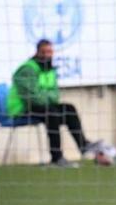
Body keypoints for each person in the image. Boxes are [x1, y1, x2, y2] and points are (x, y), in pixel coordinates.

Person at [6, 39, 102, 168]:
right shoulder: (27, 69)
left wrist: (45, 95)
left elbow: (55, 95)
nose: (47, 55)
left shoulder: (50, 70)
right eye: (44, 52)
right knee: (52, 114)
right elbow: (33, 97)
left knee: (69, 108)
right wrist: (47, 96)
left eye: (50, 52)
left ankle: (83, 145)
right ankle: (56, 158)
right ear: (37, 52)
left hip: (43, 106)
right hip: (22, 109)